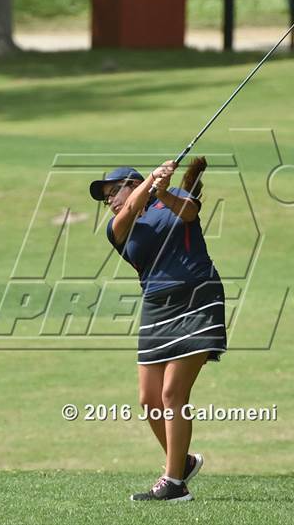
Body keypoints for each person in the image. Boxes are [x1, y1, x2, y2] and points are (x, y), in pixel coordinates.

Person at [90, 158, 227, 501]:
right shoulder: (117, 228)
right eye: (106, 198)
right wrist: (151, 180)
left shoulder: (172, 197)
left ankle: (174, 483)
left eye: (113, 192)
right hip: (156, 306)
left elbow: (190, 213)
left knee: (171, 394)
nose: (111, 202)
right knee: (148, 399)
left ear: (132, 184)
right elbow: (127, 213)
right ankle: (183, 462)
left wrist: (163, 192)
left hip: (197, 295)